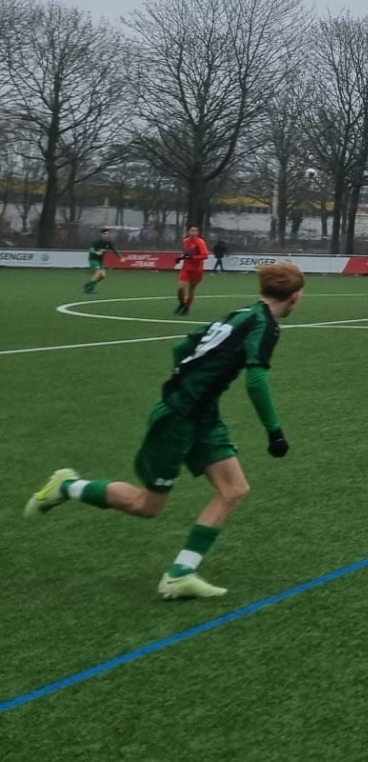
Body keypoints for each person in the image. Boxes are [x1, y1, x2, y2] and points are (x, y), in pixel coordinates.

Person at [24, 262, 305, 600]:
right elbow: (256, 380)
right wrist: (274, 432)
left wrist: (186, 382)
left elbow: (181, 347)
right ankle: (67, 486)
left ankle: (180, 574)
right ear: (295, 297)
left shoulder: (241, 314)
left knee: (233, 489)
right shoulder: (265, 326)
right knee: (147, 505)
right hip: (178, 417)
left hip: (202, 414)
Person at [174, 226, 210, 316]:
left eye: (195, 231)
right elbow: (186, 253)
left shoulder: (200, 242)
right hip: (186, 269)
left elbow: (205, 255)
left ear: (198, 233)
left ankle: (186, 308)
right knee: (180, 289)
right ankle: (182, 303)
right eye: (191, 231)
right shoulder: (186, 241)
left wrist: (193, 257)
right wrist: (180, 258)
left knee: (191, 289)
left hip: (196, 270)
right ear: (188, 232)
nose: (193, 233)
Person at [82, 229, 120, 295]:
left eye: (108, 234)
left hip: (100, 261)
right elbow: (91, 249)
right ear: (101, 234)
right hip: (93, 259)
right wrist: (96, 252)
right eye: (105, 234)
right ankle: (89, 288)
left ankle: (88, 285)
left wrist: (120, 257)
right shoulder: (97, 242)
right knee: (98, 272)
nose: (107, 235)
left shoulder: (108, 243)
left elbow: (114, 250)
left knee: (103, 276)